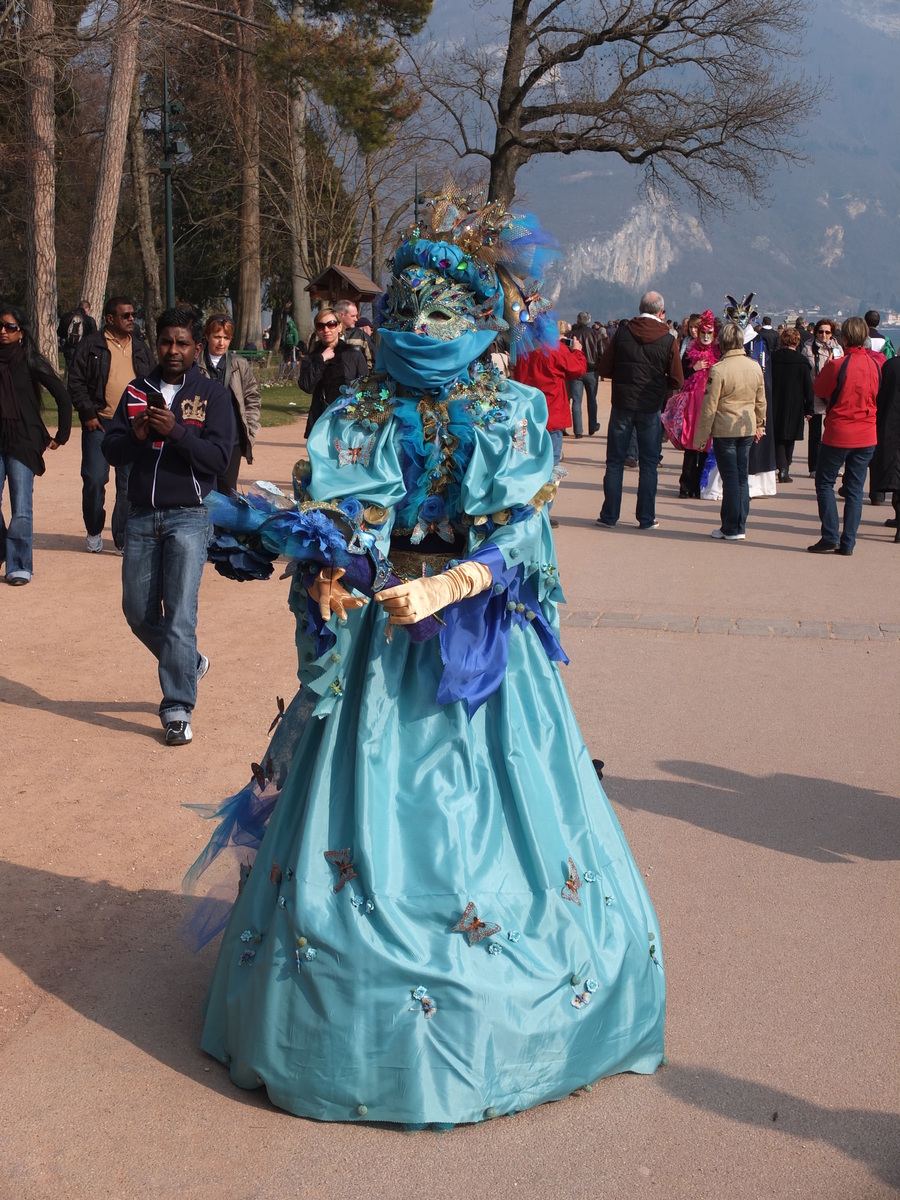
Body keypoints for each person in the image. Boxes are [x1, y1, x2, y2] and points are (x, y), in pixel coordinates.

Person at [184, 188, 665, 1127]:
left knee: (496, 804)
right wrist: (315, 553)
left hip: (479, 644)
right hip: (378, 648)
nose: (419, 329)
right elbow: (357, 518)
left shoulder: (514, 413)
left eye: (442, 313)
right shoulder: (359, 409)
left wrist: (456, 584)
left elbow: (524, 533)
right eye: (403, 312)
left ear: (483, 320)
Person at [101, 308, 235, 744]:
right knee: (138, 612)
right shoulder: (136, 391)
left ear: (196, 348)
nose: (173, 350)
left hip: (189, 516)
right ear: (155, 344)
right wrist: (137, 436)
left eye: (181, 343)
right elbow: (112, 450)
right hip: (141, 515)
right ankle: (189, 662)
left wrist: (177, 432)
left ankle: (177, 707)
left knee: (179, 614)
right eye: (165, 342)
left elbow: (217, 460)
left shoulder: (211, 396)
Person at [68, 296, 156, 553]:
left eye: (132, 315)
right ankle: (94, 529)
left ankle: (122, 538)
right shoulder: (91, 346)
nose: (131, 319)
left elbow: (151, 381)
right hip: (100, 424)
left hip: (134, 425)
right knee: (95, 479)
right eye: (125, 315)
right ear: (109, 318)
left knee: (128, 483)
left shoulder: (140, 347)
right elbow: (75, 382)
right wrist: (88, 414)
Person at [596, 290, 683, 530]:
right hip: (650, 405)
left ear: (639, 308)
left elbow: (604, 367)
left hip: (623, 402)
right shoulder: (668, 339)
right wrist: (659, 385)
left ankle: (609, 515)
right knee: (649, 463)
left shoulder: (623, 332)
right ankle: (645, 517)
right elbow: (677, 379)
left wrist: (623, 377)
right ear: (661, 312)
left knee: (615, 461)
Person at [0, 303, 72, 585]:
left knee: (21, 507)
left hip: (23, 441)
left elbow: (62, 396)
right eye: (0, 326)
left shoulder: (29, 360)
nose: (3, 332)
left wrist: (62, 435)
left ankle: (19, 565)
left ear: (21, 333)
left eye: (10, 327)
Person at [807, 316, 880, 556]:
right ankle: (848, 541)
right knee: (855, 489)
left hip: (840, 432)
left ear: (844, 338)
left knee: (825, 482)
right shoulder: (875, 365)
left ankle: (830, 535)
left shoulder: (839, 365)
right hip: (867, 433)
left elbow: (819, 389)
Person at [693, 321, 766, 540]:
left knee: (731, 478)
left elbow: (709, 407)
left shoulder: (719, 370)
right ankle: (738, 524)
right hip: (746, 427)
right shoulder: (754, 366)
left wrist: (700, 438)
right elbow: (760, 401)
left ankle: (731, 526)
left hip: (725, 429)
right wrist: (760, 424)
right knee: (741, 477)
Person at [512, 327, 586, 525]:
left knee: (528, 464)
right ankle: (543, 511)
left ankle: (526, 507)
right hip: (552, 416)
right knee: (551, 466)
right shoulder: (555, 350)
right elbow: (577, 369)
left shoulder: (522, 350)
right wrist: (576, 350)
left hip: (528, 416)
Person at [196, 314, 262, 494]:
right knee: (203, 488)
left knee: (227, 490)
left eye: (226, 338)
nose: (221, 343)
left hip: (232, 439)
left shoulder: (239, 364)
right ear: (207, 336)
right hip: (202, 437)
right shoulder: (195, 364)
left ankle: (224, 524)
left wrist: (250, 428)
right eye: (217, 337)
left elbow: (252, 397)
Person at [662, 309, 720, 498]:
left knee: (705, 446)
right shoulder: (689, 353)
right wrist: (693, 369)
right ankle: (686, 485)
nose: (704, 337)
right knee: (690, 446)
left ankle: (699, 485)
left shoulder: (718, 354)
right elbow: (679, 376)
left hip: (709, 403)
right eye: (702, 332)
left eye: (708, 333)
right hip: (692, 404)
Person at [299, 307, 368, 436]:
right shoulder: (312, 358)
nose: (326, 330)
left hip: (349, 422)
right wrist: (322, 359)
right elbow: (306, 386)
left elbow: (366, 388)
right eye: (321, 326)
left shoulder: (353, 355)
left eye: (331, 325)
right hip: (321, 420)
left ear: (339, 327)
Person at [770, 327, 814, 483]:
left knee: (778, 436)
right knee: (790, 436)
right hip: (795, 402)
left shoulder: (773, 358)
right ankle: (786, 466)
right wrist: (810, 407)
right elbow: (808, 387)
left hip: (775, 400)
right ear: (797, 341)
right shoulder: (802, 362)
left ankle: (781, 467)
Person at [802, 318, 843, 475]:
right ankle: (814, 466)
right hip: (815, 394)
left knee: (834, 432)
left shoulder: (837, 348)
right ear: (815, 332)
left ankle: (834, 465)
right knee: (815, 433)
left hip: (832, 395)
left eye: (827, 332)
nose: (824, 335)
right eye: (821, 331)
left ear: (832, 333)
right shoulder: (808, 349)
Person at [872, 355, 900, 542]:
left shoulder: (891, 365)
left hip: (892, 423)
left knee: (895, 471)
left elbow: (879, 394)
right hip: (891, 422)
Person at [568, 311, 601, 437]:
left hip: (576, 370)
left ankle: (578, 431)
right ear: (589, 321)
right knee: (592, 399)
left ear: (577, 320)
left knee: (577, 401)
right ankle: (592, 426)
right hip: (592, 370)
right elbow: (602, 351)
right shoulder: (595, 334)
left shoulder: (571, 334)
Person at [57, 299, 97, 374]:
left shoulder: (66, 317)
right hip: (84, 352)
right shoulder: (90, 320)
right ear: (87, 309)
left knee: (72, 373)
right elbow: (94, 337)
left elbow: (60, 333)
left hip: (69, 350)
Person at [334, 299, 375, 371]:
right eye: (353, 316)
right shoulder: (324, 334)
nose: (356, 319)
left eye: (356, 316)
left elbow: (372, 363)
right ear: (341, 315)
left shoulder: (361, 336)